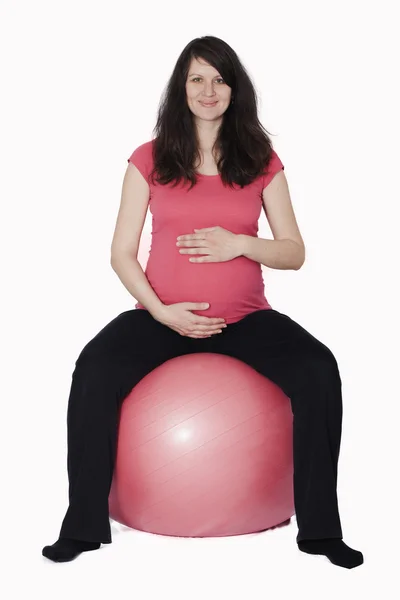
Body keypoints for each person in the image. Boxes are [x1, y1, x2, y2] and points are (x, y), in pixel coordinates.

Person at [42, 35, 363, 569]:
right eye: (197, 78)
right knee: (94, 369)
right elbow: (122, 253)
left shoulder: (261, 160)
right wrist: (161, 311)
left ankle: (322, 532)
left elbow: (294, 252)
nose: (208, 90)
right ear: (181, 88)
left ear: (234, 89)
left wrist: (240, 244)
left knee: (318, 368)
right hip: (161, 316)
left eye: (219, 78)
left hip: (244, 319)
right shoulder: (149, 159)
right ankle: (82, 526)